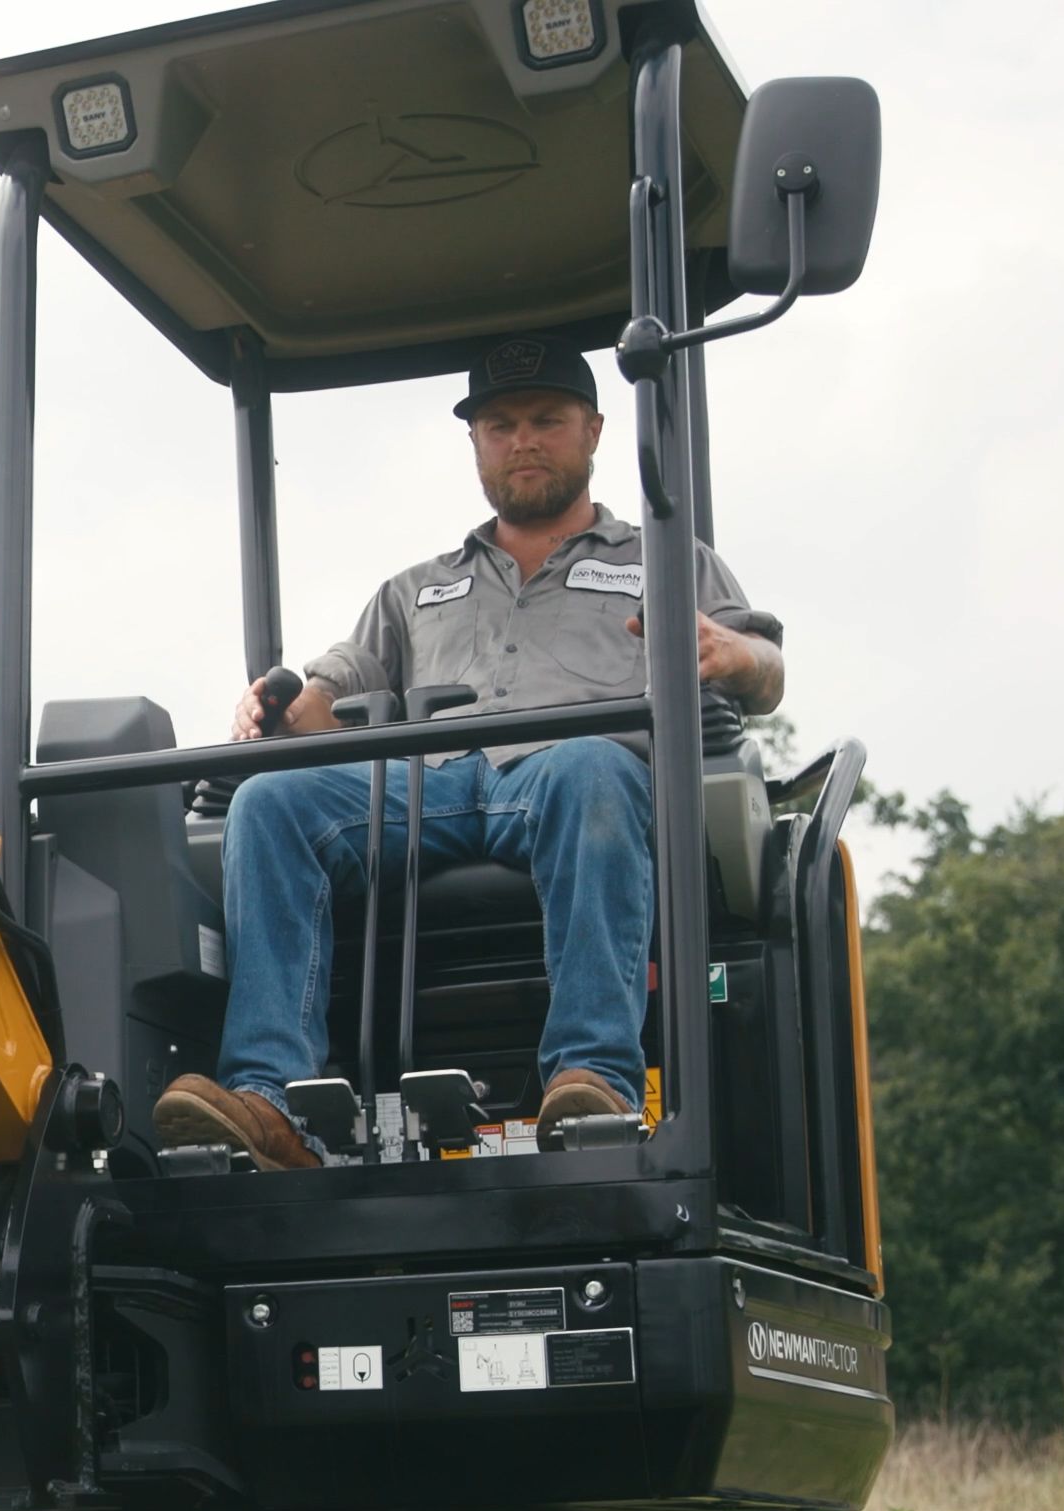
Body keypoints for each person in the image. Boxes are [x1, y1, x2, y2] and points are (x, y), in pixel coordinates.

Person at [150, 335, 786, 1170]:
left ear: (593, 431)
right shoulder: (416, 589)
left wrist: (736, 658)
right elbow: (331, 697)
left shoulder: (662, 561)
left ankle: (593, 1075)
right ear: (477, 443)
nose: (522, 440)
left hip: (573, 778)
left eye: (545, 420)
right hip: (434, 785)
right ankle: (272, 1101)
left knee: (591, 768)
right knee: (269, 801)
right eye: (500, 424)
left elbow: (765, 668)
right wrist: (273, 710)